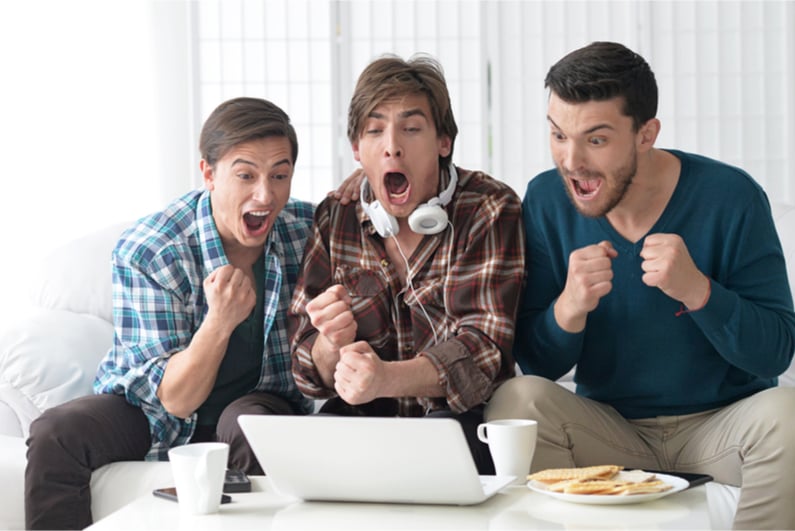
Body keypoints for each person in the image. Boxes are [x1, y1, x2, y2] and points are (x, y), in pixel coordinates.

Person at [485, 41, 795, 529]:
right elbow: (539, 364)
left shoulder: (732, 197)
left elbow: (776, 352)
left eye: (597, 140)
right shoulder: (546, 199)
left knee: (788, 412)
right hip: (609, 430)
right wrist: (569, 308)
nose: (572, 161)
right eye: (558, 136)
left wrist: (700, 292)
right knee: (515, 400)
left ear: (646, 134)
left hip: (721, 431)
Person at [25, 97, 321, 529]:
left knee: (249, 426)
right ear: (208, 173)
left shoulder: (305, 233)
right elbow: (175, 400)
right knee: (58, 433)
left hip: (256, 401)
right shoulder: (151, 249)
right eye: (246, 175)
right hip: (154, 408)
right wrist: (220, 321)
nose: (266, 194)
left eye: (280, 175)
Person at [288, 54, 525, 474]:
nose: (392, 145)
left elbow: (484, 351)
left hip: (461, 421)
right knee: (311, 454)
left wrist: (385, 378)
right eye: (375, 130)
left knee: (437, 448)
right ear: (358, 150)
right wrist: (329, 344)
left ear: (443, 142)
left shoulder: (488, 208)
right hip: (364, 421)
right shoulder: (335, 216)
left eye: (412, 129)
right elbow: (306, 371)